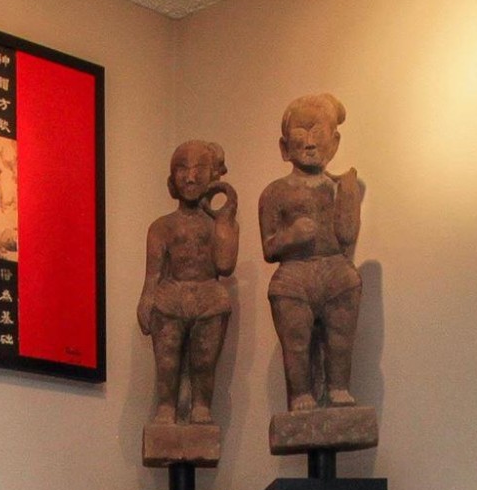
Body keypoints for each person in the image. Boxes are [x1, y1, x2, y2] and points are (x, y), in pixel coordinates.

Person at [257, 94, 364, 413]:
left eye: (318, 132)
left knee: (340, 338)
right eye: (301, 133)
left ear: (334, 142)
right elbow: (269, 247)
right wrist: (291, 236)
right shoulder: (274, 192)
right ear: (283, 146)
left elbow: (346, 236)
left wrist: (348, 195)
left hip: (335, 270)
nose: (309, 142)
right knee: (297, 342)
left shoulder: (339, 187)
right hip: (294, 275)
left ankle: (338, 387)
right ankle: (301, 393)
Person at [138, 141, 238, 427]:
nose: (190, 177)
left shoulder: (222, 223)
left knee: (204, 362)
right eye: (182, 170)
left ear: (213, 177)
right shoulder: (161, 227)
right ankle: (166, 407)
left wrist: (225, 219)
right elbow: (153, 274)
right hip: (171, 296)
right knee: (166, 362)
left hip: (209, 295)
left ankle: (201, 407)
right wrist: (146, 299)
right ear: (172, 181)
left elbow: (224, 265)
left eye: (198, 170)